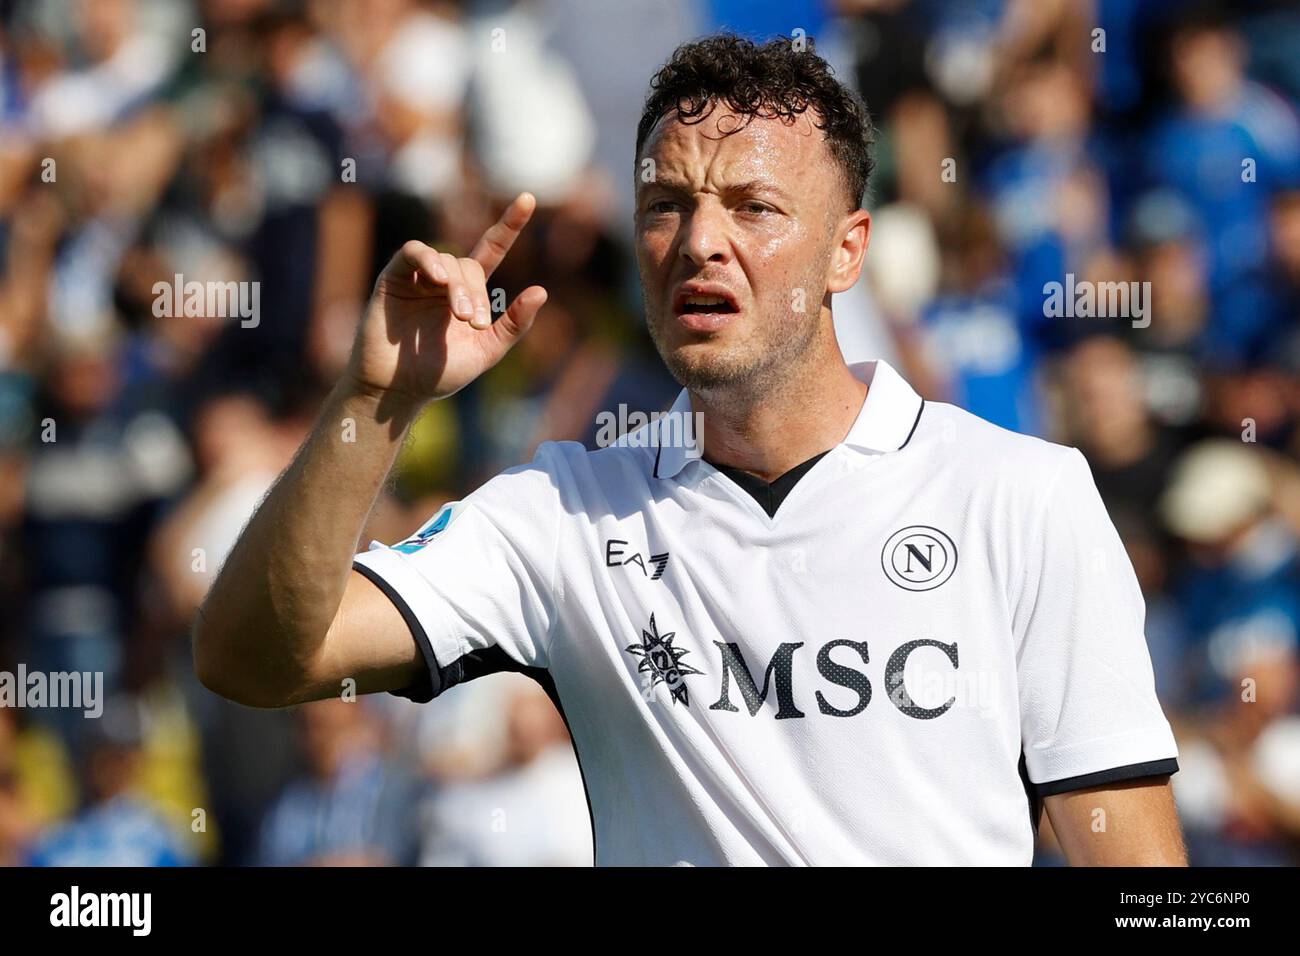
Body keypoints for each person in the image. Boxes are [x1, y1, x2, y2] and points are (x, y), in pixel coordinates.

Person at [194, 35, 1185, 866]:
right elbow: (254, 657)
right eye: (666, 204)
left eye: (753, 205)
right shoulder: (562, 512)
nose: (700, 240)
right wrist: (371, 402)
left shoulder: (1022, 496)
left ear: (849, 248)